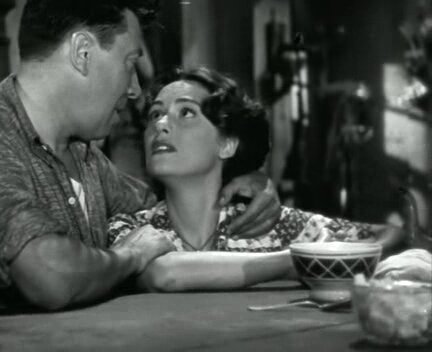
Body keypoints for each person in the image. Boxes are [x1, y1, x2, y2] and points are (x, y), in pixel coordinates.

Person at [0, 0, 281, 317]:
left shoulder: (84, 157)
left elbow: (168, 208)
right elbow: (50, 277)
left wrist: (243, 183)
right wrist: (130, 255)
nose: (135, 90)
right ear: (83, 53)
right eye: (130, 64)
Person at [108, 67, 406, 292]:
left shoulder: (275, 225)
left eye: (186, 112)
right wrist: (296, 261)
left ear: (227, 143)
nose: (160, 124)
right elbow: (163, 274)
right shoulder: (133, 228)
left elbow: (389, 235)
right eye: (155, 114)